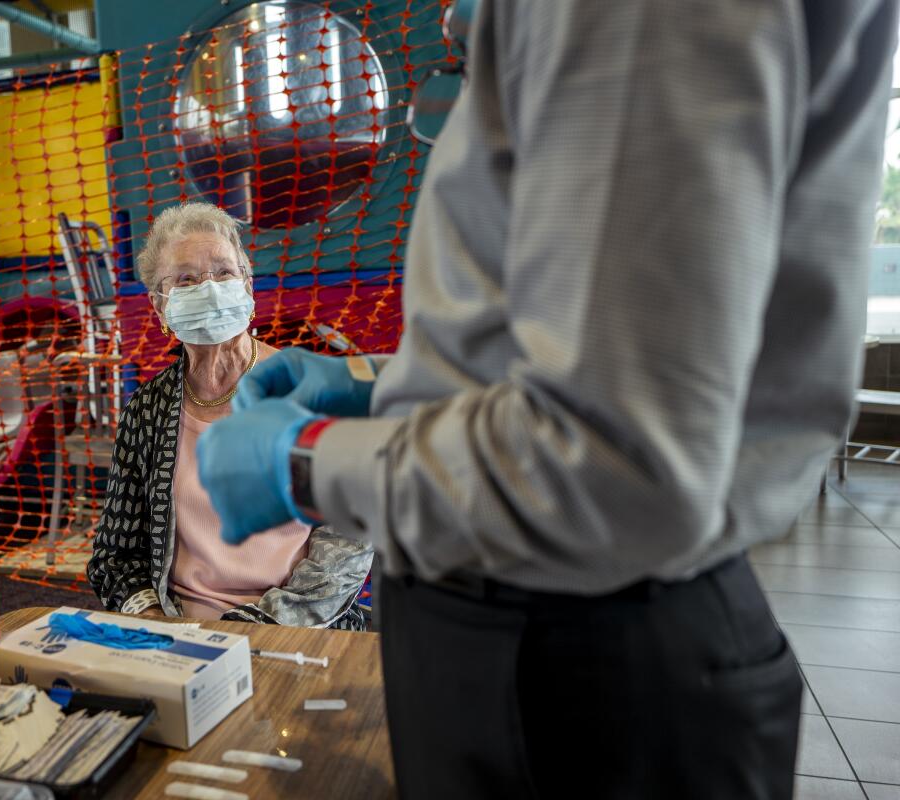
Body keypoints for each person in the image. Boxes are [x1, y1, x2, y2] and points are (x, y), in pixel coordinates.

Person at [194, 1, 900, 797]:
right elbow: (595, 341)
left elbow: (615, 458)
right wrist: (380, 388)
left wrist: (306, 462)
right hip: (550, 634)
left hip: (578, 659)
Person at [87, 201, 371, 630]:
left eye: (223, 273)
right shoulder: (146, 411)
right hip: (178, 625)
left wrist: (252, 627)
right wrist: (155, 620)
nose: (209, 288)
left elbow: (350, 544)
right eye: (186, 279)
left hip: (293, 628)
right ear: (160, 306)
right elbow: (115, 556)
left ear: (248, 287)